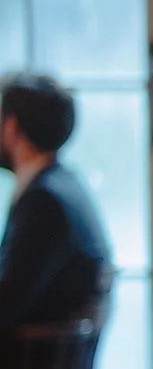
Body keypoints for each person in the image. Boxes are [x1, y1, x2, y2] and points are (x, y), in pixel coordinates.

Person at [0, 73, 110, 328]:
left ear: (12, 127)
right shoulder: (63, 185)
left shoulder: (43, 202)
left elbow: (6, 303)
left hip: (25, 363)